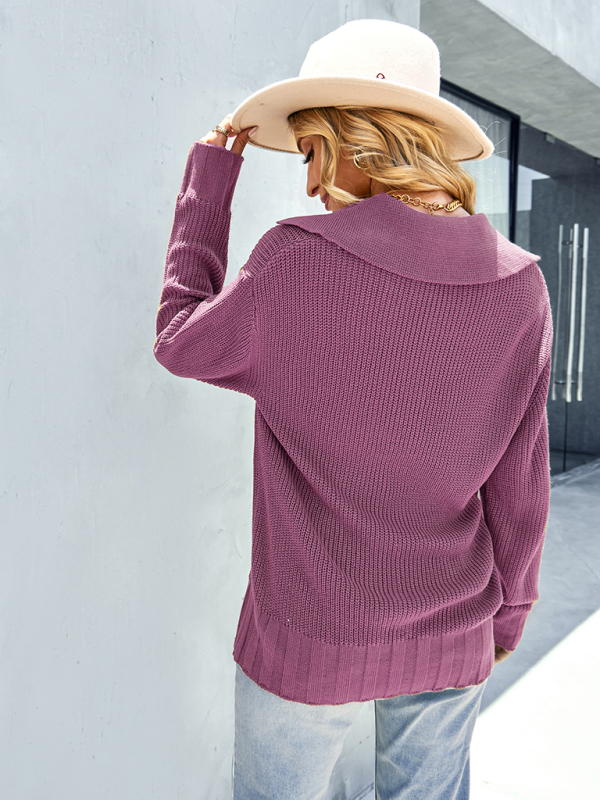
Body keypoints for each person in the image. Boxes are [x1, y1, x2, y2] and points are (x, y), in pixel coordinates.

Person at [153, 19, 553, 800]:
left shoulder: (296, 260)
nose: (309, 184)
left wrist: (209, 182)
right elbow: (520, 487)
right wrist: (509, 615)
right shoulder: (523, 286)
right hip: (454, 634)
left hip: (310, 640)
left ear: (355, 141)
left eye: (311, 152)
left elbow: (179, 339)